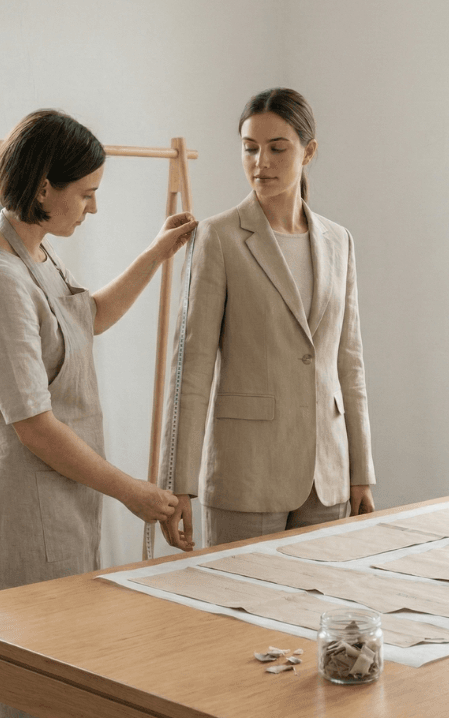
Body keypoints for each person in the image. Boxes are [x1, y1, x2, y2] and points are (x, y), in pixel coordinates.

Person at [0, 109, 197, 602]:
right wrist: (132, 492)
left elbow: (88, 318)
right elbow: (35, 426)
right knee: (33, 659)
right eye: (87, 194)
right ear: (44, 189)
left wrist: (155, 253)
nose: (93, 208)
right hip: (29, 495)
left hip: (65, 488)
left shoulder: (35, 252)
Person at [161, 88, 375, 552]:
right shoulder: (217, 238)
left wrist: (362, 471)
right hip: (246, 474)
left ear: (308, 152)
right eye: (250, 148)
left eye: (278, 148)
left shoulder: (340, 242)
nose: (261, 162)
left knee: (319, 613)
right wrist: (176, 483)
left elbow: (349, 366)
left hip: (328, 476)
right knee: (237, 615)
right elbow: (190, 370)